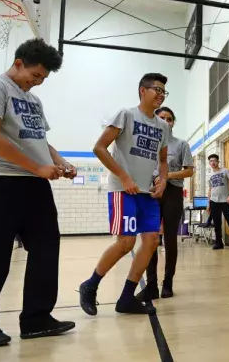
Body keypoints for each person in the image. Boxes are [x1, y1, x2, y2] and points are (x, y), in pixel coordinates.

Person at [0, 38, 76, 347]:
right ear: (18, 63)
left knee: (47, 248)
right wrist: (37, 167)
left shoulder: (32, 100)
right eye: (34, 76)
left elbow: (38, 140)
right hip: (0, 182)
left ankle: (36, 319)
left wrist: (60, 161)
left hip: (34, 185)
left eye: (43, 79)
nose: (37, 83)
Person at [78, 73, 170, 316]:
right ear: (142, 90)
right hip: (123, 189)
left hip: (147, 193)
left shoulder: (162, 126)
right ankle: (90, 285)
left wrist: (163, 180)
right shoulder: (126, 115)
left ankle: (127, 298)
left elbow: (163, 160)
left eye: (163, 92)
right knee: (126, 242)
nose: (160, 95)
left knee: (151, 242)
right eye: (156, 90)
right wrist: (125, 177)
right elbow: (99, 147)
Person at [136, 106, 194, 301]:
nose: (166, 122)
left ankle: (167, 282)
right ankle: (151, 283)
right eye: (162, 118)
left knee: (170, 239)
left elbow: (188, 171)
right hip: (150, 192)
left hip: (172, 193)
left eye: (170, 119)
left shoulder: (181, 144)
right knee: (150, 240)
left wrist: (166, 175)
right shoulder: (147, 144)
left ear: (173, 122)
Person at [206, 154, 229, 250]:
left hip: (225, 201)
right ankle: (219, 243)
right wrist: (208, 204)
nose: (213, 162)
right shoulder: (210, 176)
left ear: (218, 162)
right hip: (214, 201)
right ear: (209, 163)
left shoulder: (225, 171)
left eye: (215, 160)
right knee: (216, 223)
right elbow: (210, 190)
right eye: (211, 161)